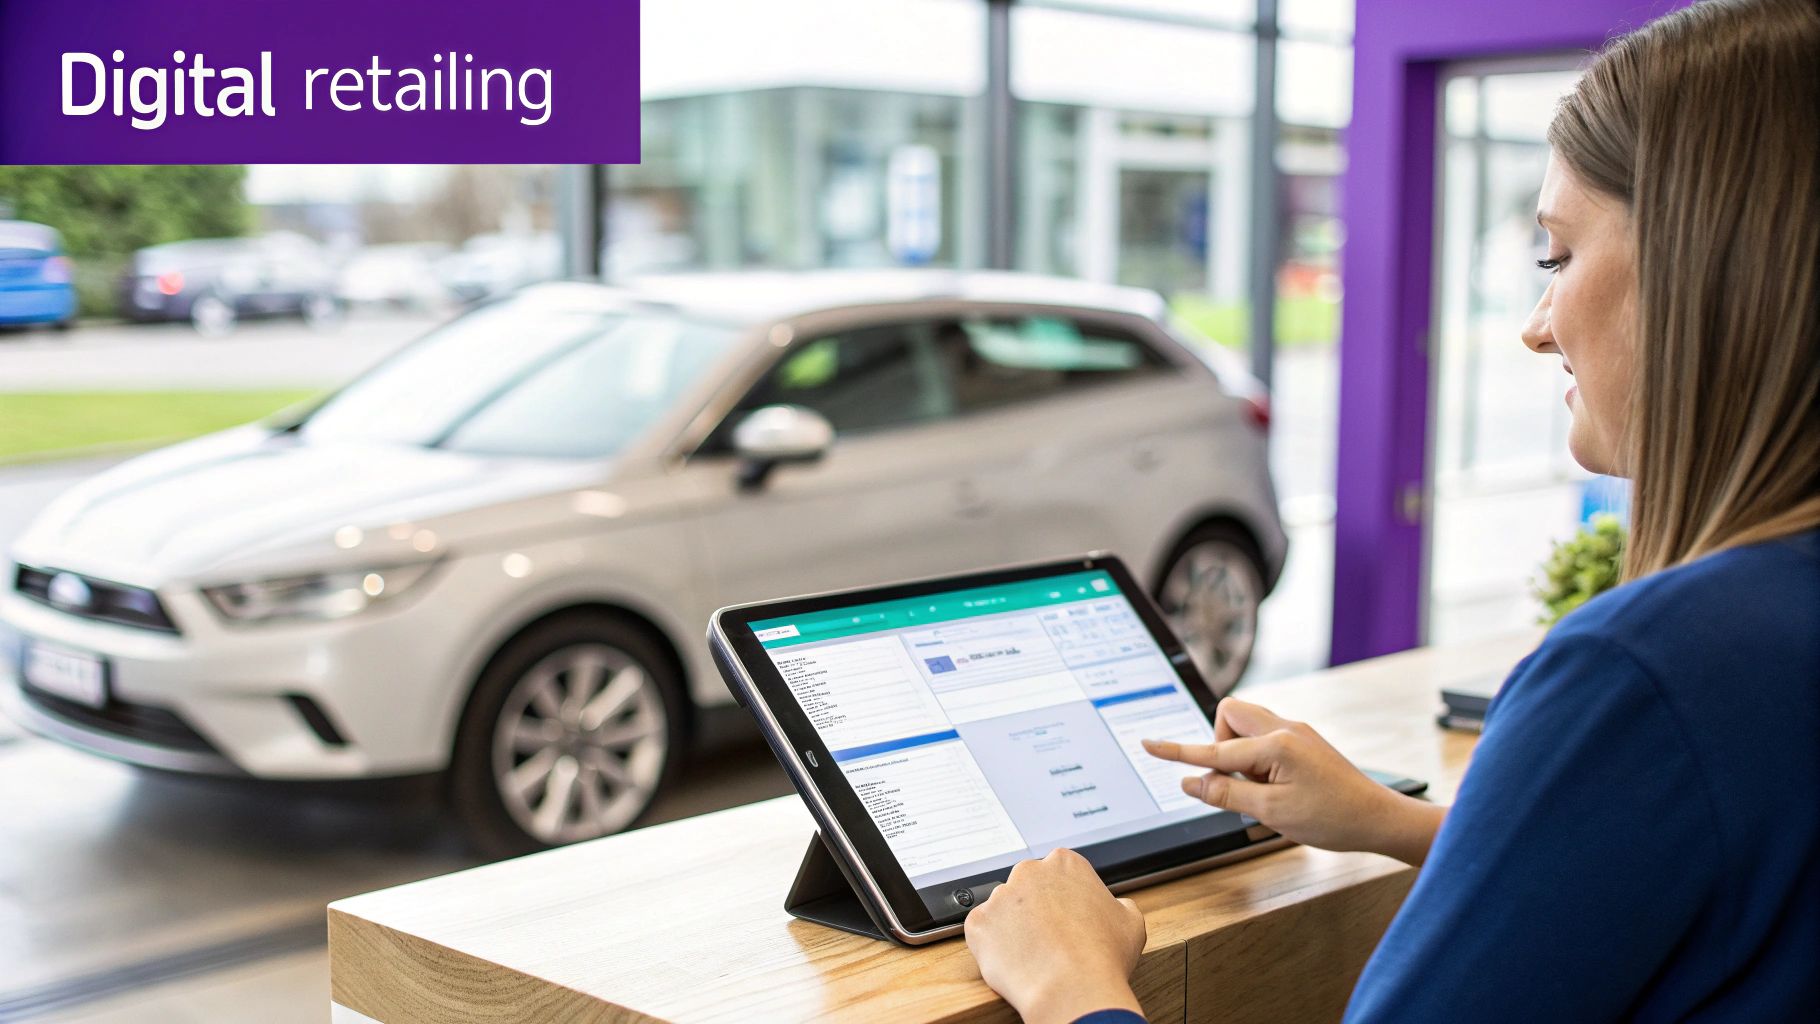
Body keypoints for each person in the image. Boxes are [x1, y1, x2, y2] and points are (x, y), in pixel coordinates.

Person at [962, 0, 1820, 1020]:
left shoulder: (1643, 673)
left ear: (1700, 269)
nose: (1536, 327)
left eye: (1554, 256)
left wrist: (1070, 980)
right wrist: (1398, 821)